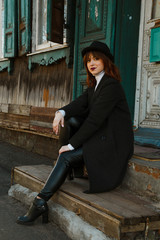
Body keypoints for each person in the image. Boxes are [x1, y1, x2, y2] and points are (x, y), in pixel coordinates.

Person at [17, 41, 134, 225]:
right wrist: (60, 112)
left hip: (114, 144)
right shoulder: (96, 84)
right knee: (69, 119)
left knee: (66, 156)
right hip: (102, 137)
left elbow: (95, 120)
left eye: (96, 59)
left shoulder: (111, 86)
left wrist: (71, 145)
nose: (91, 63)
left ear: (105, 61)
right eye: (88, 60)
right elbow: (79, 104)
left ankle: (40, 201)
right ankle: (69, 168)